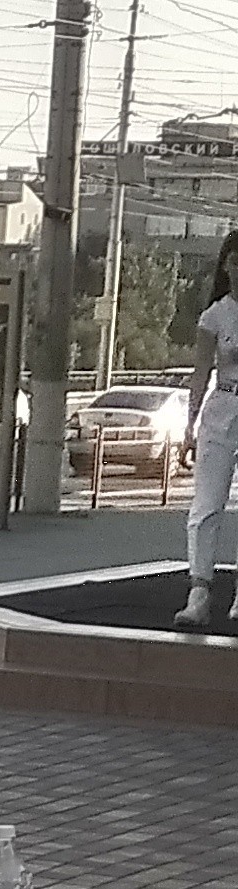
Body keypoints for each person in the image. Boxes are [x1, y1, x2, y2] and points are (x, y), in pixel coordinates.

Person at [174, 229, 238, 629]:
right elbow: (200, 373)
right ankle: (199, 591)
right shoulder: (215, 314)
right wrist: (189, 426)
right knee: (206, 505)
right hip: (222, 407)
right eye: (234, 262)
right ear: (225, 267)